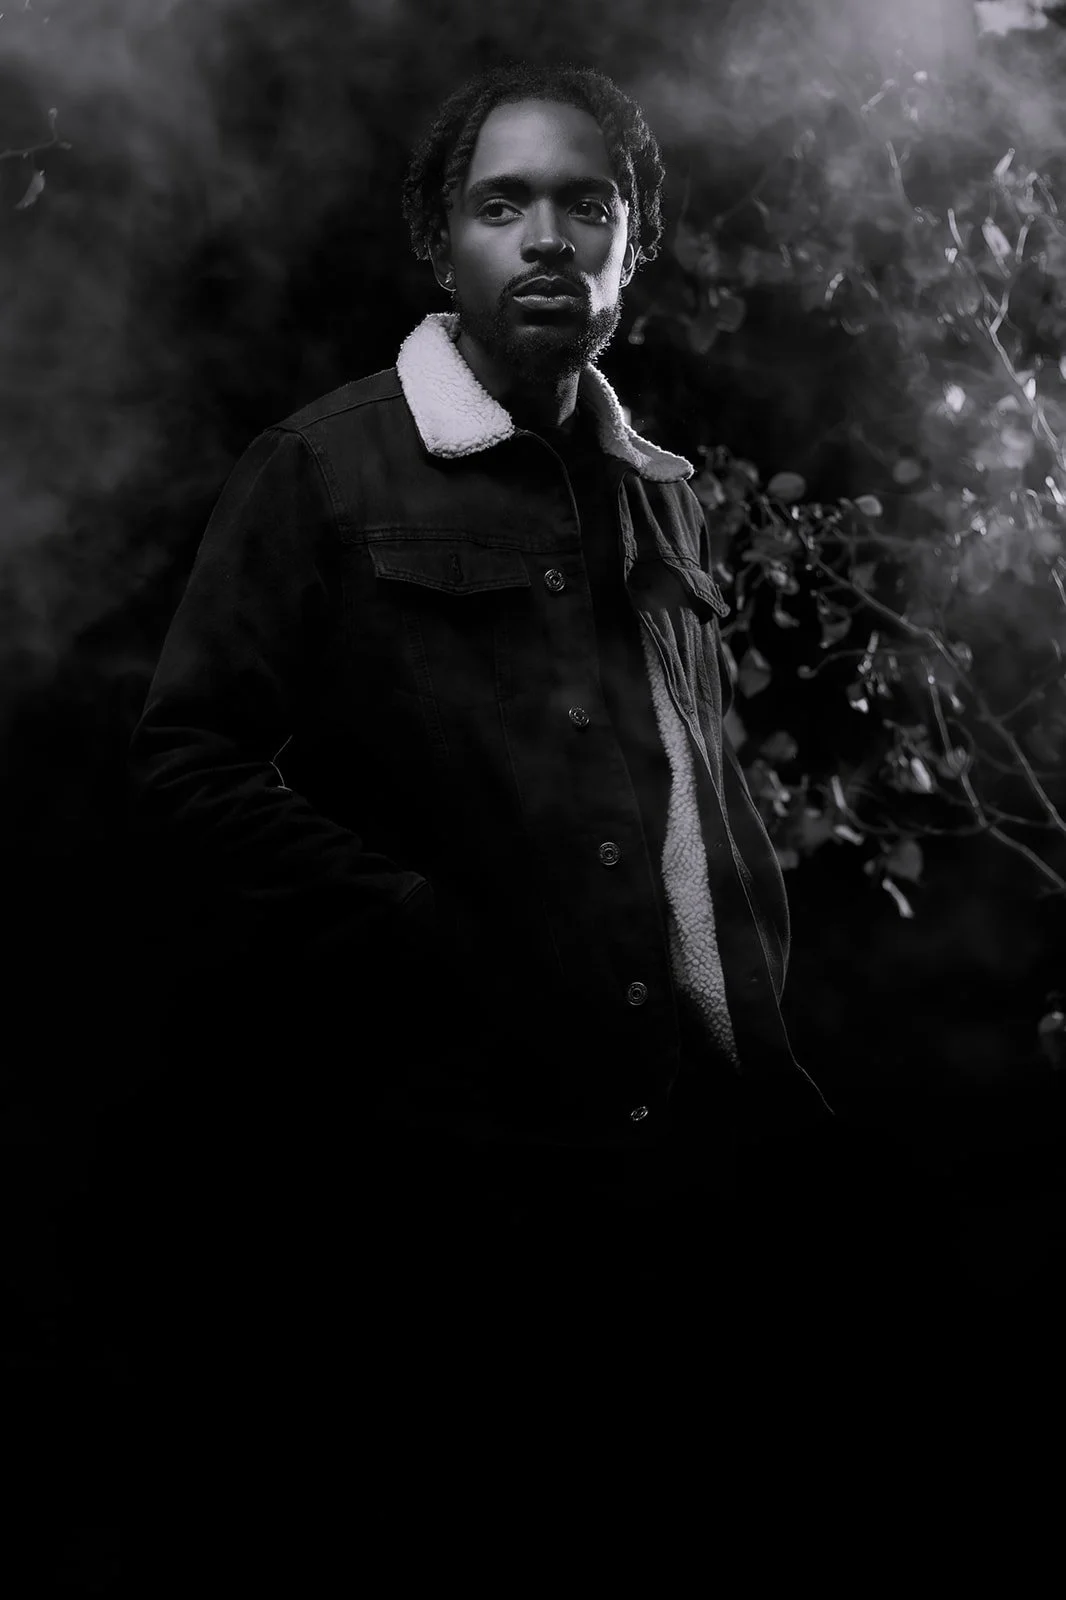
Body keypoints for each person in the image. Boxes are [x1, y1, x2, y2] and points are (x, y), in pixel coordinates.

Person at [127, 63, 945, 1395]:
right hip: (432, 1168)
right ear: (438, 244)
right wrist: (411, 923)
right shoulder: (321, 467)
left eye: (585, 203)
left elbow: (695, 799)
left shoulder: (663, 499)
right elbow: (184, 763)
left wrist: (757, 1059)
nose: (547, 240)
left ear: (636, 239)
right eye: (501, 207)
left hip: (671, 1149)